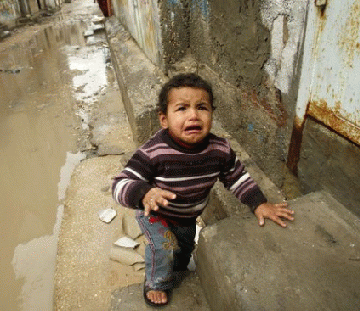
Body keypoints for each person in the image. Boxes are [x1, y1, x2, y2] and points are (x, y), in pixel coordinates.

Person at [112, 73, 294, 307]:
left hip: (188, 215)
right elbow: (119, 183)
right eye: (182, 108)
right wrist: (145, 193)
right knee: (163, 246)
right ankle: (156, 282)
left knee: (185, 248)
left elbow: (236, 177)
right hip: (155, 213)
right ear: (164, 119)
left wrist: (259, 203)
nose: (193, 115)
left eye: (202, 107)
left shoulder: (219, 150)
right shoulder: (153, 152)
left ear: (211, 114)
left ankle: (176, 266)